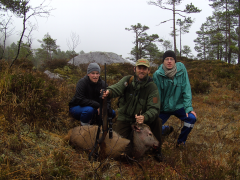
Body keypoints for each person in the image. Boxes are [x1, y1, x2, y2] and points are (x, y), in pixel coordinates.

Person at [102, 59, 163, 162]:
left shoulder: (152, 88)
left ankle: (157, 151)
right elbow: (117, 87)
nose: (141, 71)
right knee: (117, 147)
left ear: (149, 71)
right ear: (135, 69)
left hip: (141, 120)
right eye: (139, 68)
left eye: (144, 69)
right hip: (125, 118)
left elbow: (154, 108)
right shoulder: (127, 80)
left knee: (157, 121)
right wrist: (109, 91)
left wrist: (145, 117)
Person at [153, 50, 197, 147]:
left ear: (175, 61)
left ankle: (181, 142)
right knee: (151, 126)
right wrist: (154, 110)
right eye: (166, 59)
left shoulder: (182, 70)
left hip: (179, 106)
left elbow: (186, 89)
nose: (169, 61)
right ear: (163, 61)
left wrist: (188, 108)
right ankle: (164, 129)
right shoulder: (157, 75)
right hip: (164, 108)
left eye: (172, 59)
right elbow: (156, 95)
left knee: (191, 118)